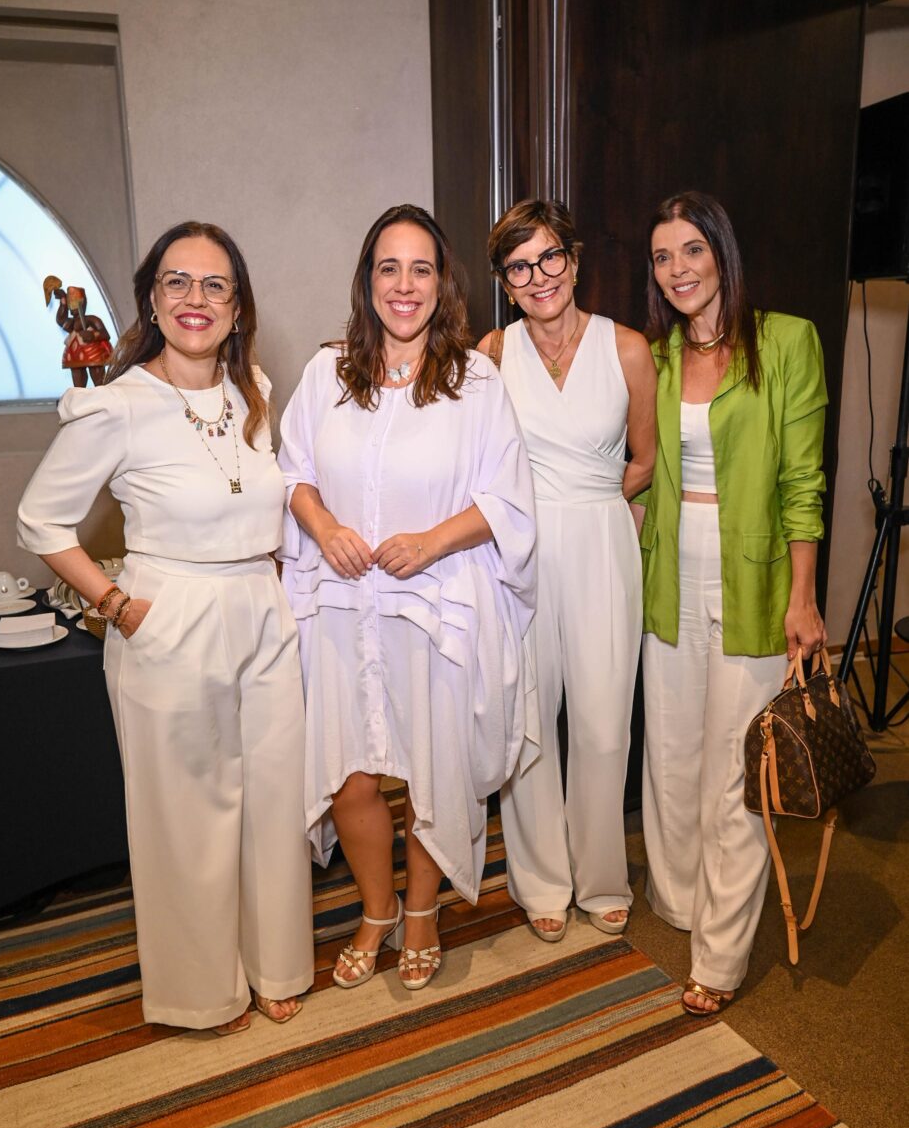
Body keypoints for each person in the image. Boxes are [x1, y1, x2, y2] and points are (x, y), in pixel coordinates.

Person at [18, 221, 313, 1035]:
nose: (196, 299)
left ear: (237, 303)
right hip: (167, 613)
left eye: (214, 285)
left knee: (271, 794)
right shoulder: (116, 404)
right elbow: (41, 523)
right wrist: (114, 606)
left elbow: (271, 502)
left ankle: (277, 962)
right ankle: (200, 990)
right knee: (186, 813)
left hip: (261, 607)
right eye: (177, 282)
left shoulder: (253, 388)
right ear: (151, 297)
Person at [278, 203, 537, 992]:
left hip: (435, 604)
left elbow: (508, 496)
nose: (404, 284)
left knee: (429, 766)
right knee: (350, 771)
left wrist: (428, 542)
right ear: (367, 281)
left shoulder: (476, 379)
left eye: (419, 268)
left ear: (441, 281)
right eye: (387, 267)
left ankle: (423, 912)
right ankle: (377, 907)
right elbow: (289, 471)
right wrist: (321, 526)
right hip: (342, 605)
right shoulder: (326, 374)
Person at [637, 191, 827, 1015]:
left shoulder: (786, 341)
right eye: (660, 256)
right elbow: (638, 468)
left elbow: (802, 484)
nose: (675, 269)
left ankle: (718, 954)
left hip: (753, 578)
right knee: (672, 757)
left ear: (721, 253)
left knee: (733, 767)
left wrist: (804, 596)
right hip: (668, 574)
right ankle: (680, 906)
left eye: (690, 251)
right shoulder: (657, 355)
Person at [480, 199, 657, 942]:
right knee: (528, 720)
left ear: (574, 261)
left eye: (549, 257)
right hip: (516, 554)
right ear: (506, 283)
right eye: (519, 266)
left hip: (599, 545)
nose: (538, 276)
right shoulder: (489, 353)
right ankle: (542, 881)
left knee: (602, 720)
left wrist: (590, 508)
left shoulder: (627, 349)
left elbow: (643, 461)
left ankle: (600, 877)